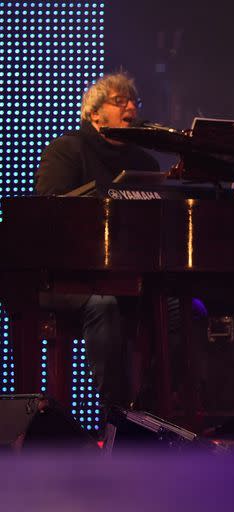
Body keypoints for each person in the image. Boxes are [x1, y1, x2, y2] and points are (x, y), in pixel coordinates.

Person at [34, 72, 160, 409]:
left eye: (134, 101)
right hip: (66, 279)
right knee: (104, 305)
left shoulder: (143, 161)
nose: (130, 107)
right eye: (120, 102)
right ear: (94, 114)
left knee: (179, 307)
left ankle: (149, 409)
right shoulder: (67, 150)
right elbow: (46, 214)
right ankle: (114, 413)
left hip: (127, 277)